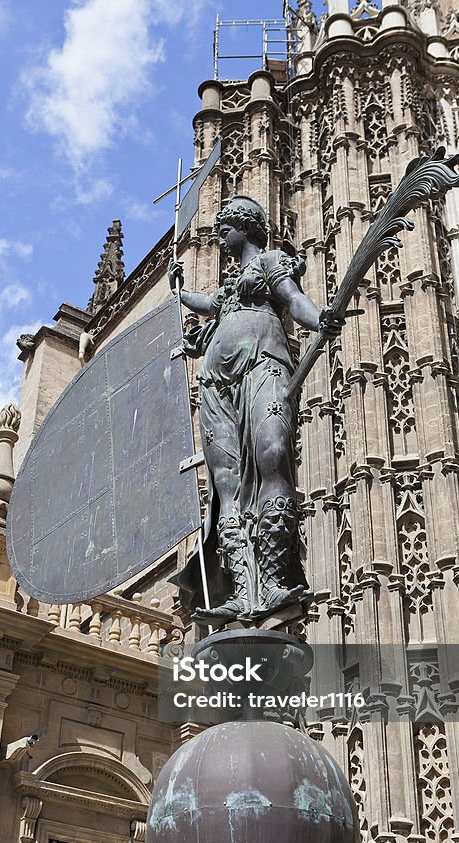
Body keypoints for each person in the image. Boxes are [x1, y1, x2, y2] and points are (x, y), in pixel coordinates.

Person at [168, 195, 343, 625]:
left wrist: (319, 318)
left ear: (245, 226)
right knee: (225, 485)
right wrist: (178, 290)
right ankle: (245, 592)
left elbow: (293, 299)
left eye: (224, 227)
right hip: (216, 383)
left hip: (263, 363)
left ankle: (274, 580)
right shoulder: (228, 289)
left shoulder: (269, 262)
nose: (218, 236)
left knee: (271, 457)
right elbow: (206, 304)